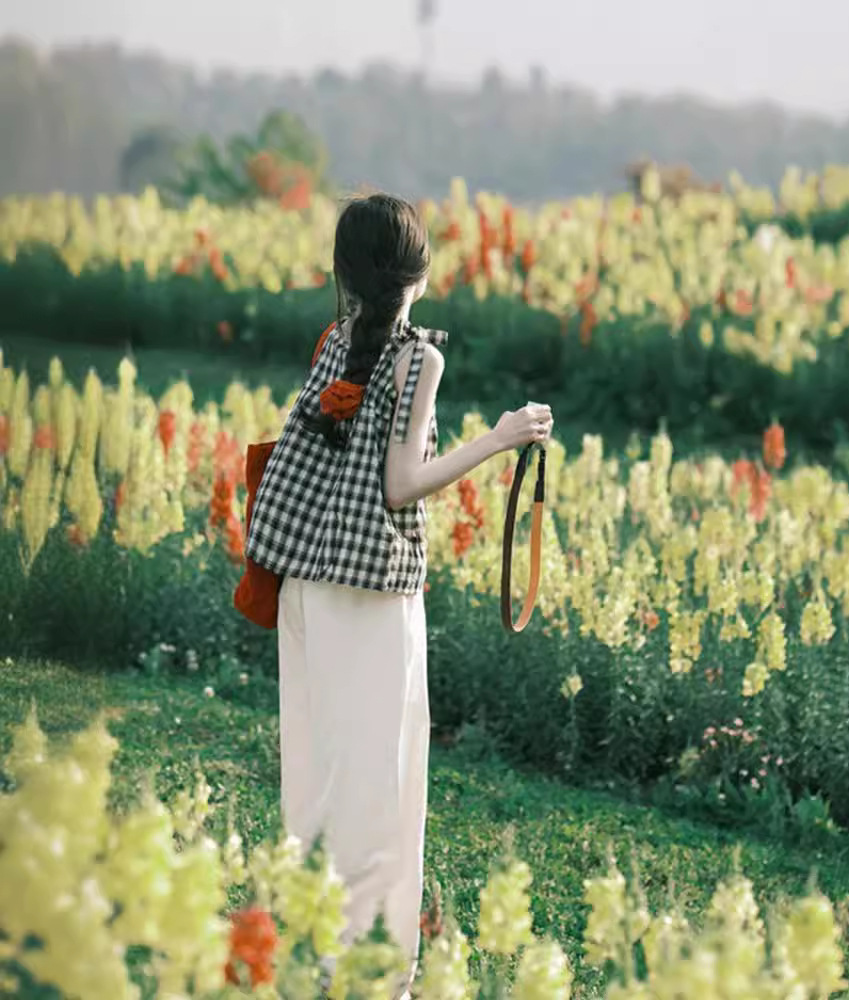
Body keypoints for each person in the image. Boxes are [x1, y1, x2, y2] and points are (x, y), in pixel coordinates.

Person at [242, 193, 553, 999]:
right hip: (374, 594)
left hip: (305, 579)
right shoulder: (420, 358)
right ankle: (377, 973)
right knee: (380, 783)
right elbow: (401, 484)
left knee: (316, 767)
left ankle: (310, 945)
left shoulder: (335, 342)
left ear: (341, 275)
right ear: (422, 275)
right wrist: (502, 437)